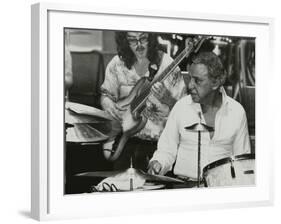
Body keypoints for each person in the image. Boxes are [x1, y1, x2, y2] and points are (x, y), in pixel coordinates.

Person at [148, 51, 251, 180]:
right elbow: (166, 150)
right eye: (190, 78)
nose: (190, 85)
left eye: (198, 81)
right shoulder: (181, 107)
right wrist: (157, 163)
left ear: (216, 82)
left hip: (221, 188)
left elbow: (242, 162)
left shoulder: (237, 112)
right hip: (184, 186)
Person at [100, 31, 186, 171]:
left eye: (143, 39)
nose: (138, 45)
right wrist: (109, 105)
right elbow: (106, 96)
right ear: (124, 41)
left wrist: (167, 98)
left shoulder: (167, 64)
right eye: (132, 40)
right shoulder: (117, 64)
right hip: (124, 143)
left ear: (151, 38)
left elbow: (184, 110)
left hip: (159, 149)